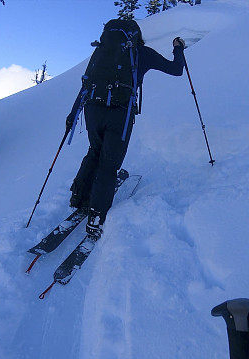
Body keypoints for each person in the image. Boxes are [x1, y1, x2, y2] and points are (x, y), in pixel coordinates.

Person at [65, 19, 186, 237]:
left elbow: (86, 83)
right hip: (120, 113)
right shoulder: (141, 52)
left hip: (91, 109)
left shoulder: (101, 52)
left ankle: (78, 196)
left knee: (95, 150)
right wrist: (178, 48)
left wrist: (72, 115)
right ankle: (96, 217)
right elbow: (176, 70)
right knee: (109, 163)